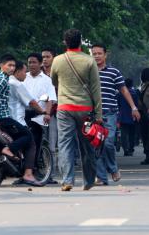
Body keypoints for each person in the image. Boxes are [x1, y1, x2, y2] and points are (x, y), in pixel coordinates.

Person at [51, 29, 102, 191]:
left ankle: (67, 180)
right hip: (85, 109)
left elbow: (53, 81)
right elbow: (96, 89)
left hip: (65, 107)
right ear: (80, 41)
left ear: (65, 42)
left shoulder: (57, 60)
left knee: (65, 144)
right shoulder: (89, 61)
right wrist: (99, 114)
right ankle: (88, 181)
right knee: (86, 145)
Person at [0, 55, 43, 187]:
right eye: (9, 65)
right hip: (4, 117)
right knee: (29, 137)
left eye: (13, 66)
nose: (11, 68)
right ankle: (25, 170)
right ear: (1, 66)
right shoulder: (6, 80)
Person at [91, 43, 140, 185]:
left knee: (108, 143)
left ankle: (113, 169)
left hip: (109, 113)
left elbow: (124, 90)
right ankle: (101, 177)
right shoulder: (87, 72)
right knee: (97, 145)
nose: (97, 56)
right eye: (94, 54)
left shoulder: (114, 72)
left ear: (105, 55)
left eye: (99, 53)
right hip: (92, 114)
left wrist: (133, 107)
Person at [23, 52, 58, 184]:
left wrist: (47, 114)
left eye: (34, 62)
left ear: (40, 64)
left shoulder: (47, 80)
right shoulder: (23, 77)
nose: (31, 65)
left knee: (38, 143)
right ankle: (25, 172)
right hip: (23, 115)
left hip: (39, 116)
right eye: (29, 62)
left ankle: (42, 172)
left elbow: (50, 98)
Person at [118, 78, 139, 156]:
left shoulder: (120, 93)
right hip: (132, 115)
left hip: (123, 115)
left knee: (124, 133)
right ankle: (131, 149)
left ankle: (125, 149)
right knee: (132, 133)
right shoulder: (134, 93)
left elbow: (118, 104)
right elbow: (136, 105)